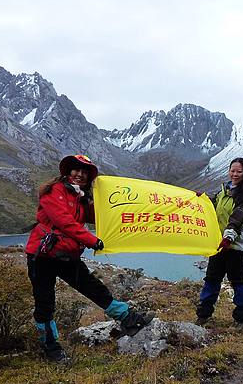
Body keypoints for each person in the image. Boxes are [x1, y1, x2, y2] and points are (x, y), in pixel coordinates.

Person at [25, 154, 154, 362]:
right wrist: (92, 240)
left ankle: (128, 319)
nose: (80, 174)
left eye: (85, 172)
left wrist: (139, 208)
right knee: (45, 302)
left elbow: (105, 215)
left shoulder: (82, 198)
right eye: (77, 170)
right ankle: (50, 346)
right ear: (68, 171)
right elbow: (64, 221)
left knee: (93, 287)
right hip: (42, 256)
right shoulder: (53, 191)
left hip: (67, 255)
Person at [196, 157, 243, 329]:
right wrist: (202, 199)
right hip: (219, 244)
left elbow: (237, 218)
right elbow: (213, 205)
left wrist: (229, 237)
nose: (235, 174)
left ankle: (241, 318)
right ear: (229, 171)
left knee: (238, 281)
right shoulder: (224, 191)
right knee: (212, 279)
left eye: (239, 171)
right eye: (233, 170)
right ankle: (204, 314)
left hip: (236, 246)